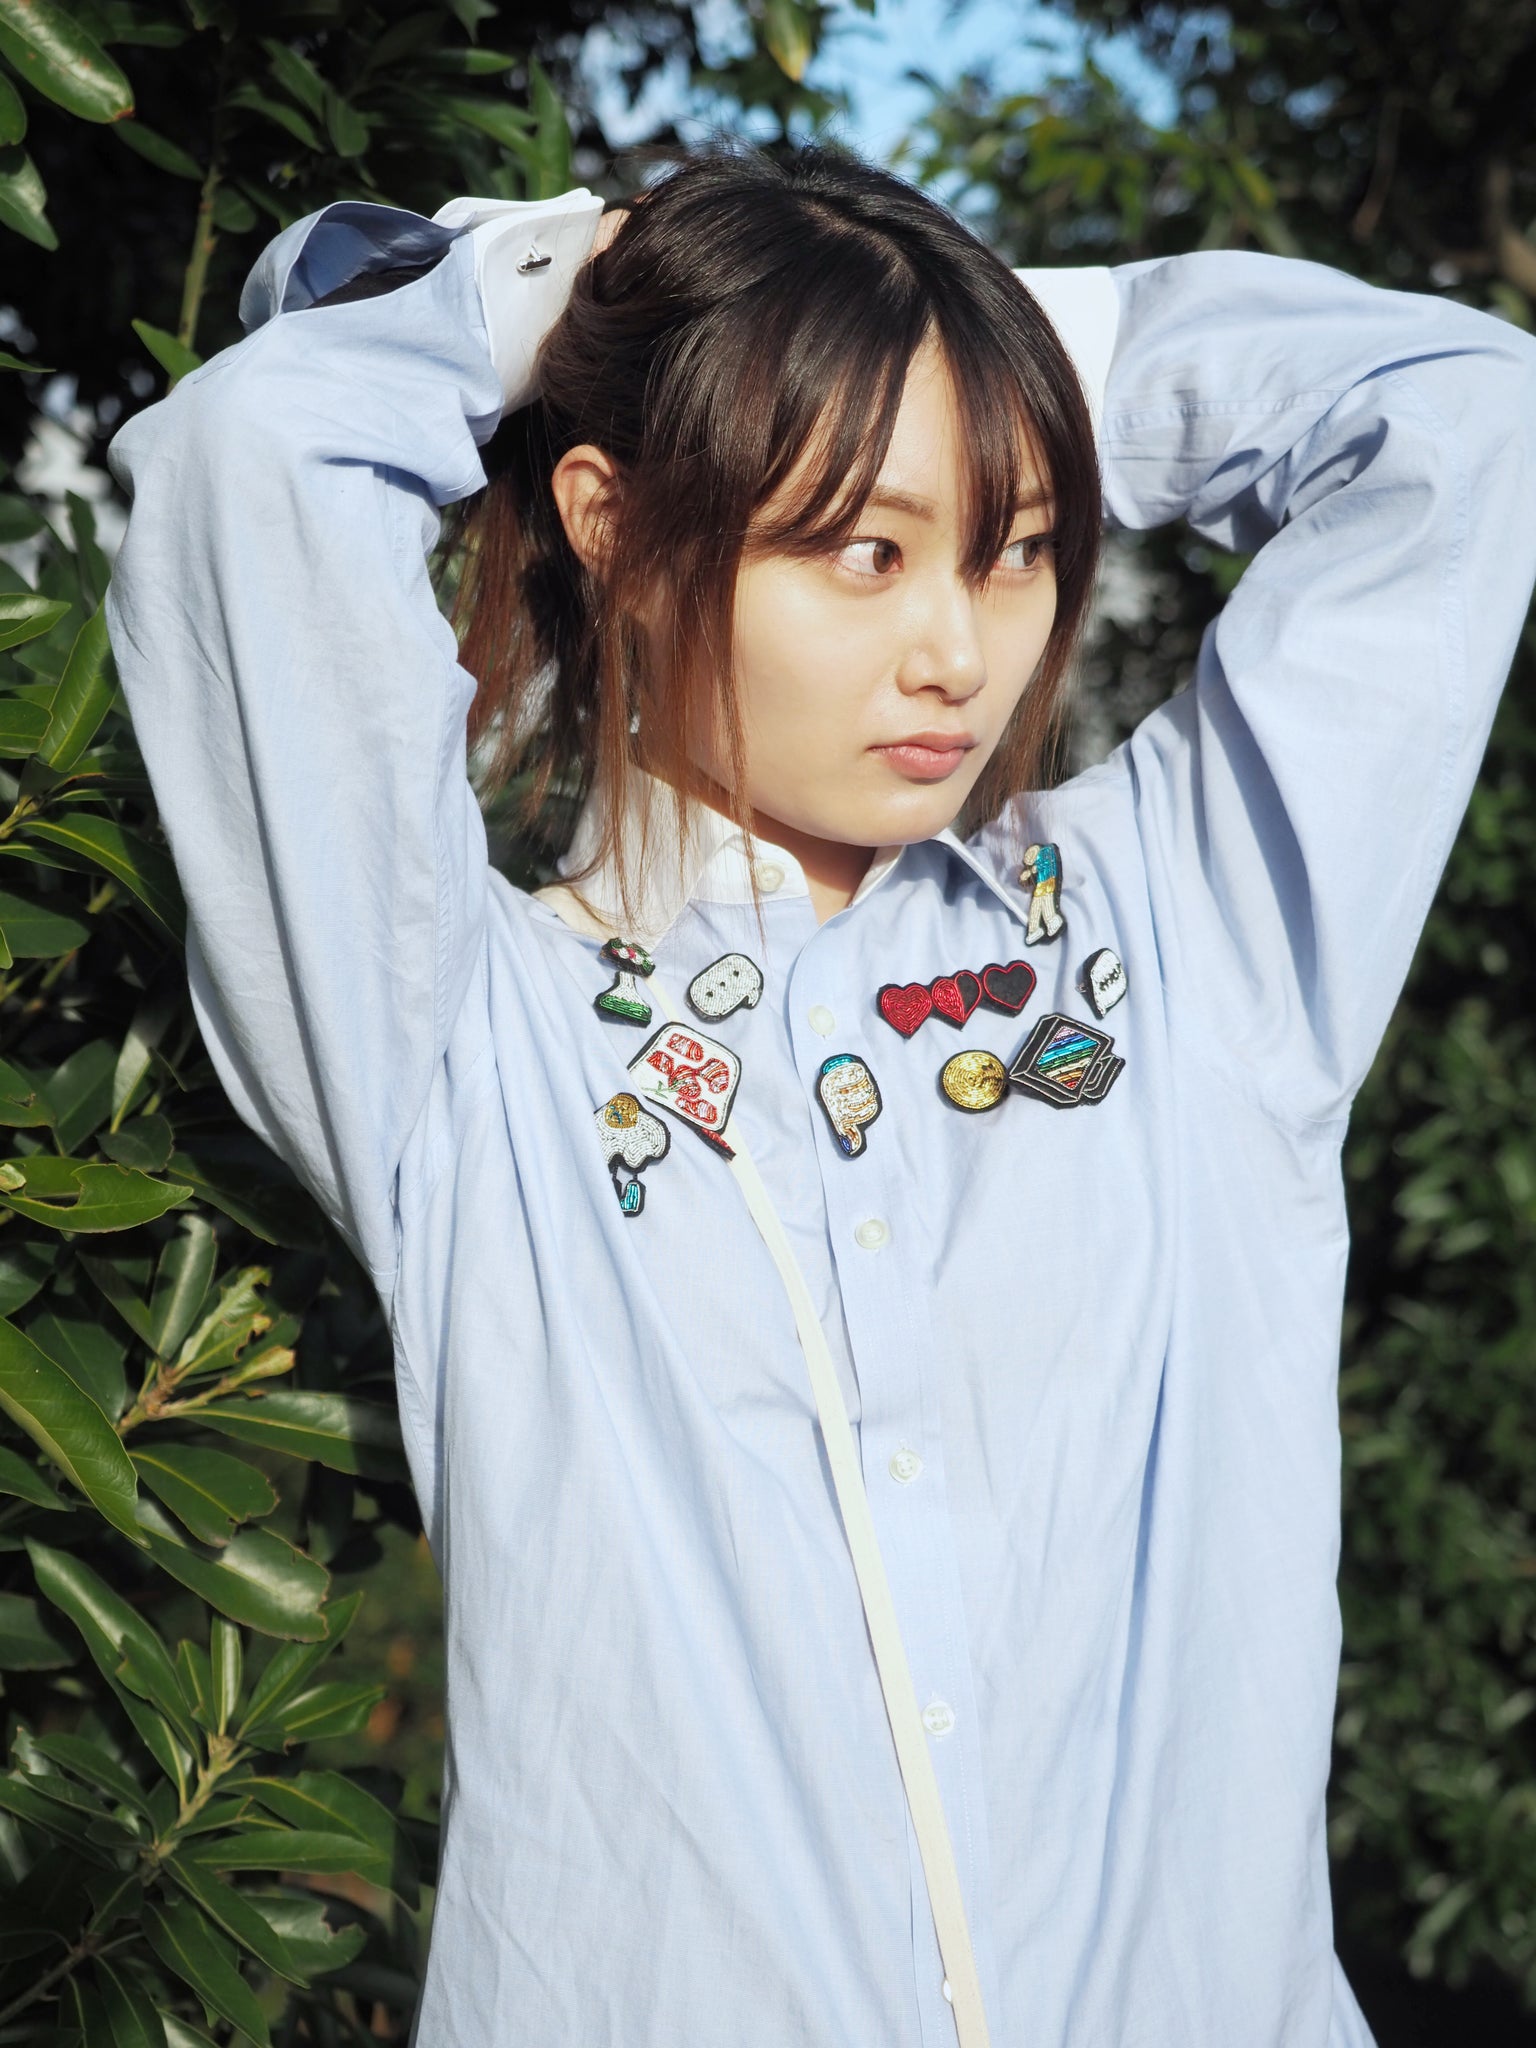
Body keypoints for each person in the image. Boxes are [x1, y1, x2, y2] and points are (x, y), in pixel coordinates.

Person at [103, 142, 1536, 2048]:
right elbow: (246, 467)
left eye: (1012, 548)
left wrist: (961, 343)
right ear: (615, 521)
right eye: (865, 549)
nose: (960, 650)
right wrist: (572, 290)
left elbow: (1469, 418)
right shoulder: (460, 1042)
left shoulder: (1195, 941)